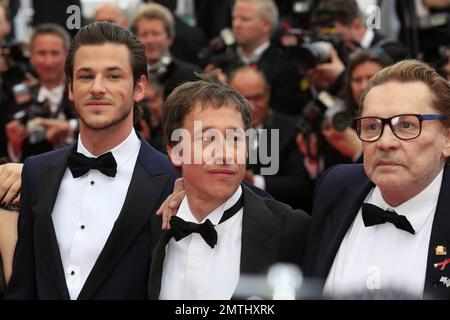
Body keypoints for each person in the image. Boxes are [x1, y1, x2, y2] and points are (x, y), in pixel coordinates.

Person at [5, 22, 177, 300]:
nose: (97, 88)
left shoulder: (171, 179)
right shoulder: (37, 172)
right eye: (86, 77)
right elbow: (24, 285)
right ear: (70, 88)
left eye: (113, 76)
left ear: (139, 87)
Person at [148, 74, 310, 299]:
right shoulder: (147, 229)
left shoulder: (291, 231)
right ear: (176, 151)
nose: (224, 154)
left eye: (235, 138)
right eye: (208, 138)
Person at [304, 60, 450, 299]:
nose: (385, 142)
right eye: (372, 126)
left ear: (446, 138)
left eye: (406, 125)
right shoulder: (335, 187)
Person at [228, 66, 313, 211]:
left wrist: (254, 182)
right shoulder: (214, 131)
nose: (252, 107)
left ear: (268, 92)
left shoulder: (292, 130)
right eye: (243, 99)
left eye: (258, 97)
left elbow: (302, 185)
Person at [206, 0, 310, 116]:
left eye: (245, 19)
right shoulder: (218, 63)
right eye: (234, 18)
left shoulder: (286, 69)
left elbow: (282, 122)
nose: (236, 24)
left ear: (266, 25)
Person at [5, 24, 77, 162]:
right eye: (41, 53)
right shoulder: (16, 99)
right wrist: (14, 143)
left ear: (68, 55)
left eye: (55, 53)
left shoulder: (82, 93)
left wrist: (69, 127)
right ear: (31, 56)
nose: (48, 62)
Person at [132, 2, 201, 98]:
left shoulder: (191, 77)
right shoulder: (130, 75)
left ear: (170, 38)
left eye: (156, 33)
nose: (150, 40)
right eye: (144, 34)